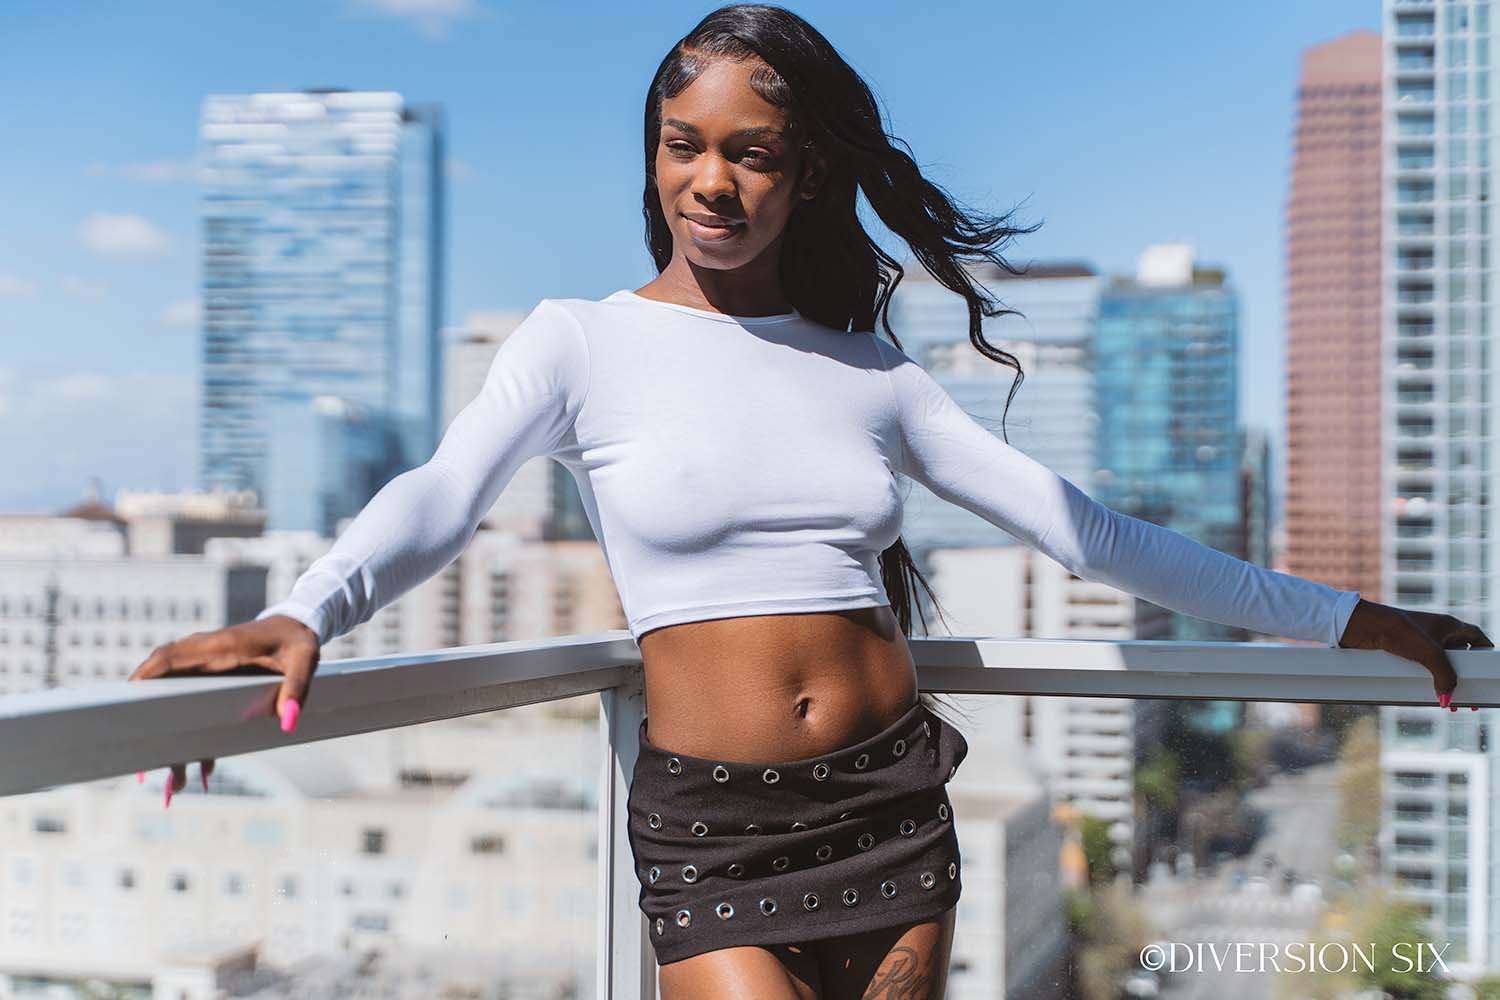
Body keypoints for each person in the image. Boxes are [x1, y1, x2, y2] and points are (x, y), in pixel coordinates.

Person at [129, 5, 1492, 997]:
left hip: (891, 799)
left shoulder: (869, 374)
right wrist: (308, 606)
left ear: (804, 173)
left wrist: (1348, 619)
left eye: (754, 152)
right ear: (655, 152)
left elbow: (1088, 533)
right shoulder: (577, 342)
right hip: (712, 825)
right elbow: (440, 494)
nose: (712, 180)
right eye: (684, 144)